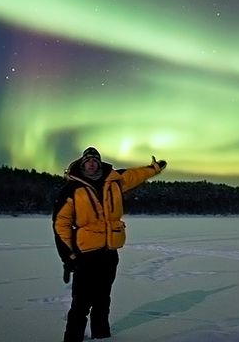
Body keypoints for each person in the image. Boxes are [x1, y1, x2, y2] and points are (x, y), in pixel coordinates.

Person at [53, 146, 167, 341]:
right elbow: (61, 223)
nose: (91, 163)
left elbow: (135, 175)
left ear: (99, 164)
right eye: (87, 161)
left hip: (109, 252)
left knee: (102, 299)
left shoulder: (115, 180)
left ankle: (102, 335)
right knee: (80, 303)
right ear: (82, 164)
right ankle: (72, 338)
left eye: (94, 160)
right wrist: (68, 255)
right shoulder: (71, 189)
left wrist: (154, 169)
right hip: (85, 254)